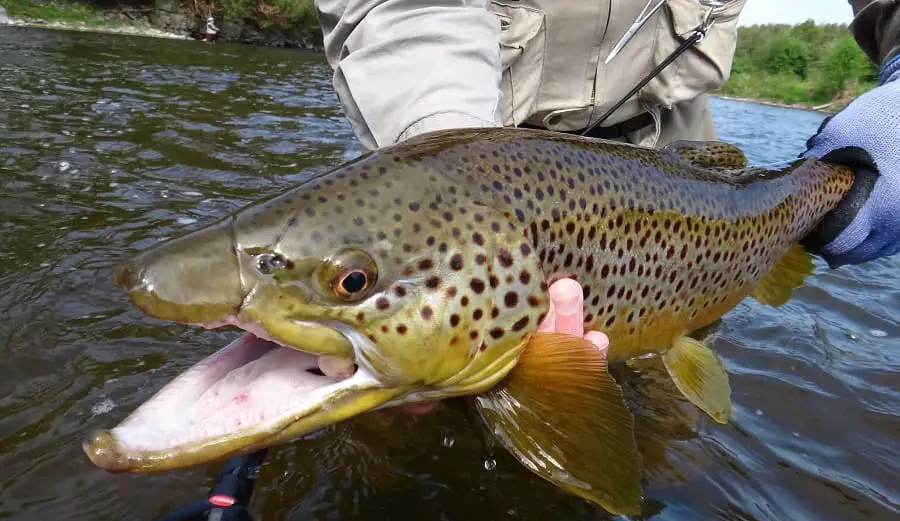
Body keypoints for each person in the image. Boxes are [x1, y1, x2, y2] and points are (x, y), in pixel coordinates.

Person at [311, 1, 900, 398]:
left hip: (683, 174)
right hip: (466, 158)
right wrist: (452, 164)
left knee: (665, 419)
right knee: (418, 389)